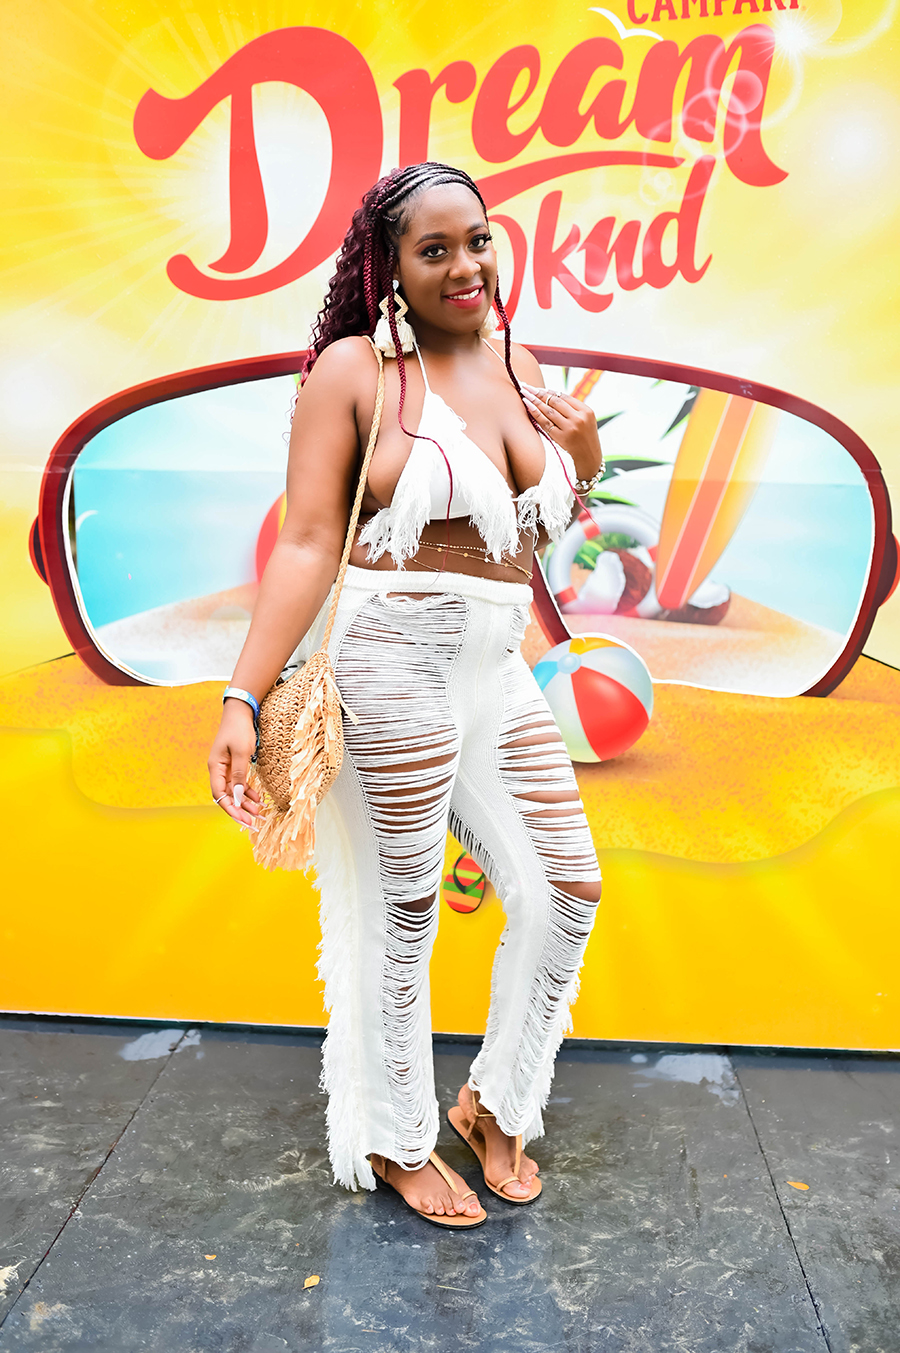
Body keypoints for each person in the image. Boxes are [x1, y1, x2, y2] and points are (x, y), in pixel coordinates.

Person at [208, 162, 604, 1229]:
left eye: (477, 239)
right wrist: (243, 697)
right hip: (390, 664)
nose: (466, 265)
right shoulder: (355, 371)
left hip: (495, 666)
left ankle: (496, 1103)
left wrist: (584, 453)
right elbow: (305, 543)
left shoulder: (517, 362)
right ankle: (395, 1136)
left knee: (567, 886)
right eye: (435, 250)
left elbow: (538, 527)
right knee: (403, 908)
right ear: (389, 268)